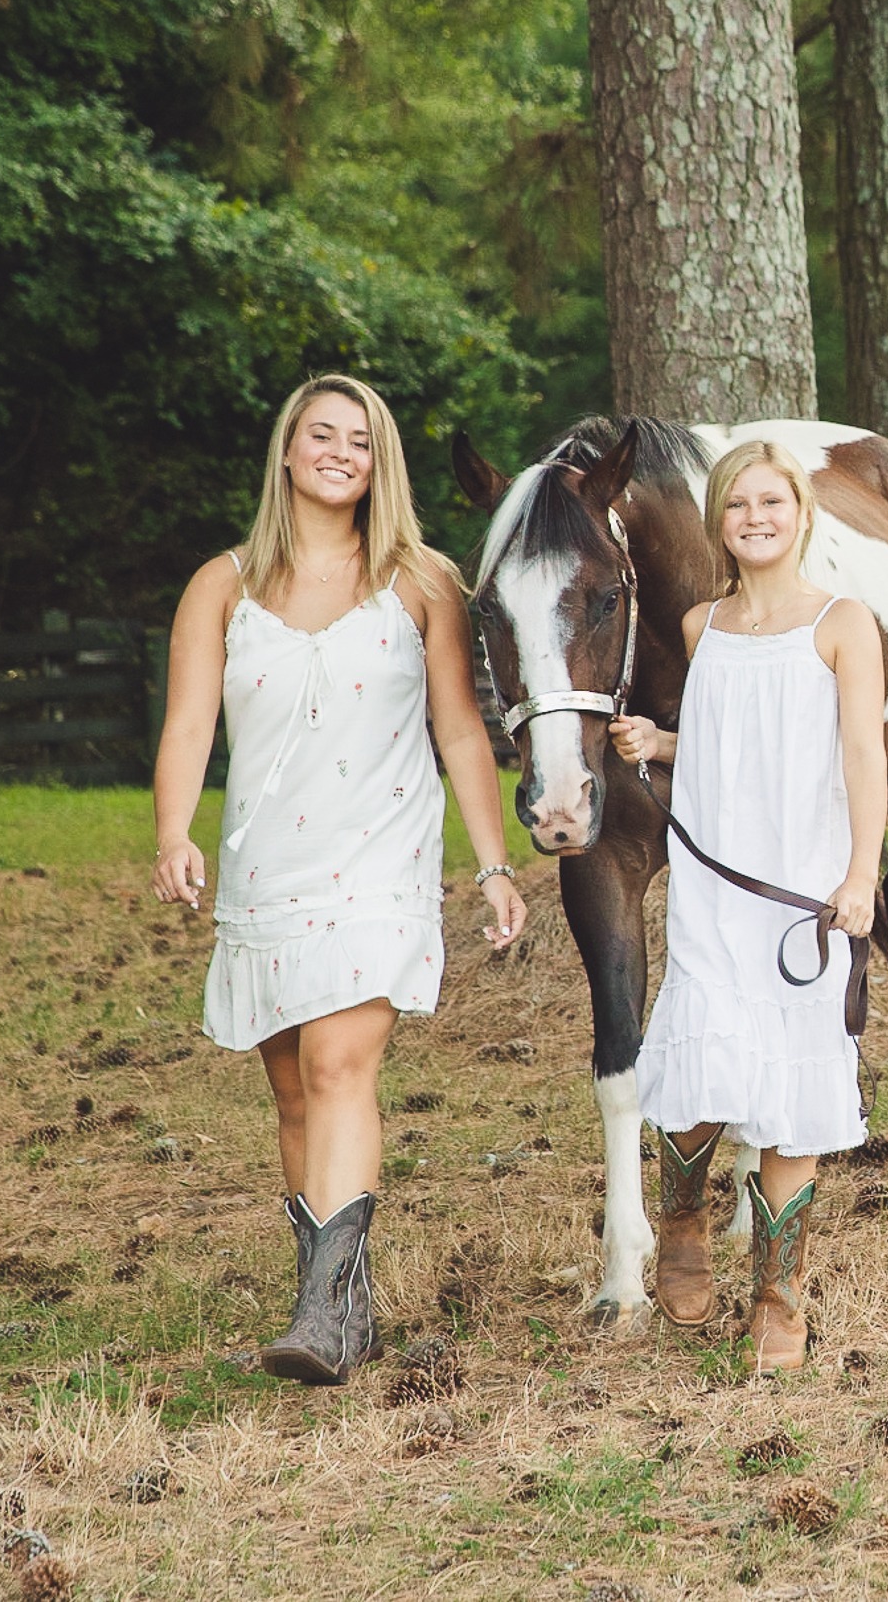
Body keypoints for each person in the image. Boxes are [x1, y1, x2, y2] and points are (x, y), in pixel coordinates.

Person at [151, 374, 525, 1386]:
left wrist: (489, 862)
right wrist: (172, 832)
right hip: (266, 863)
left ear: (378, 466)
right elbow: (188, 723)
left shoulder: (420, 582)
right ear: (286, 451)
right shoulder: (219, 585)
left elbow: (458, 728)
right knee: (290, 1096)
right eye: (321, 435)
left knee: (335, 1068)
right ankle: (343, 1311)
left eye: (359, 443)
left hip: (379, 860)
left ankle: (318, 1316)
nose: (338, 453)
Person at [608, 439, 885, 1372]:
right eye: (738, 505)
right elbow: (727, 746)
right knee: (704, 1060)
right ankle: (682, 1224)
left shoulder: (845, 624)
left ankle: (778, 1292)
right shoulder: (700, 627)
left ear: (802, 513)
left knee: (794, 1088)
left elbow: (858, 759)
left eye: (773, 501)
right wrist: (661, 738)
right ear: (719, 523)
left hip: (803, 889)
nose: (756, 518)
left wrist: (859, 875)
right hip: (717, 887)